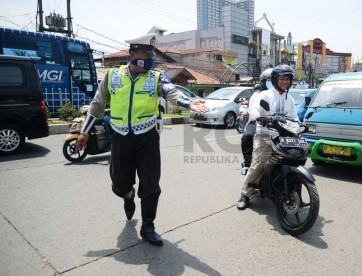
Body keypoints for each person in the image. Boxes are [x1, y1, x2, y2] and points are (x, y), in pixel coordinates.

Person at [76, 33, 208, 246]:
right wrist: (84, 132)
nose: (149, 58)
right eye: (145, 53)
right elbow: (97, 104)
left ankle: (148, 226)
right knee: (119, 184)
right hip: (120, 138)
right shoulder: (113, 76)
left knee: (150, 185)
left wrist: (188, 103)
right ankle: (128, 196)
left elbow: (171, 93)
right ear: (132, 53)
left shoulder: (156, 77)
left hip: (147, 138)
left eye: (151, 54)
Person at [237, 64, 298, 210]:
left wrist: (299, 126)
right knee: (258, 164)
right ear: (276, 80)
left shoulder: (289, 99)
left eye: (288, 79)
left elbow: (295, 118)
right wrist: (258, 117)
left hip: (283, 137)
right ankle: (245, 194)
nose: (285, 82)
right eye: (282, 79)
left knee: (293, 160)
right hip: (265, 134)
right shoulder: (265, 95)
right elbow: (254, 109)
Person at [240, 68, 273, 175]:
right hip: (258, 122)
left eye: (273, 80)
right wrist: (258, 117)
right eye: (268, 80)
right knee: (248, 136)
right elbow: (252, 110)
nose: (271, 83)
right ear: (263, 82)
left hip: (277, 124)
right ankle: (247, 163)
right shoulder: (257, 95)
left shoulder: (281, 95)